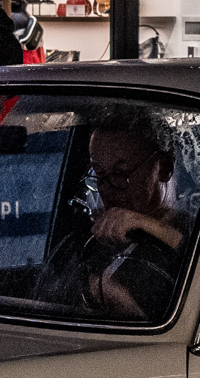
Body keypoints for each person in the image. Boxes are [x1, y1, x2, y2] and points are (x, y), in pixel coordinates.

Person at [40, 107, 191, 321]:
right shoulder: (91, 240)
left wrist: (146, 225)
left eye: (121, 173)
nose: (108, 188)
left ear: (164, 168)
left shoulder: (193, 236)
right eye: (100, 174)